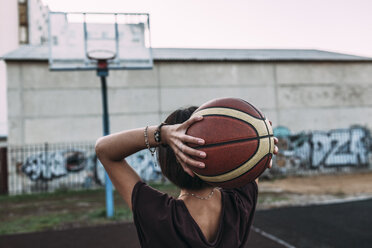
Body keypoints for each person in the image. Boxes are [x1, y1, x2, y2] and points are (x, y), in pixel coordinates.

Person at [95, 106, 279, 248]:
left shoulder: (159, 216)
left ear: (167, 162)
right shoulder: (239, 204)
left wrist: (162, 134)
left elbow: (104, 149)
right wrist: (263, 142)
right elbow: (252, 152)